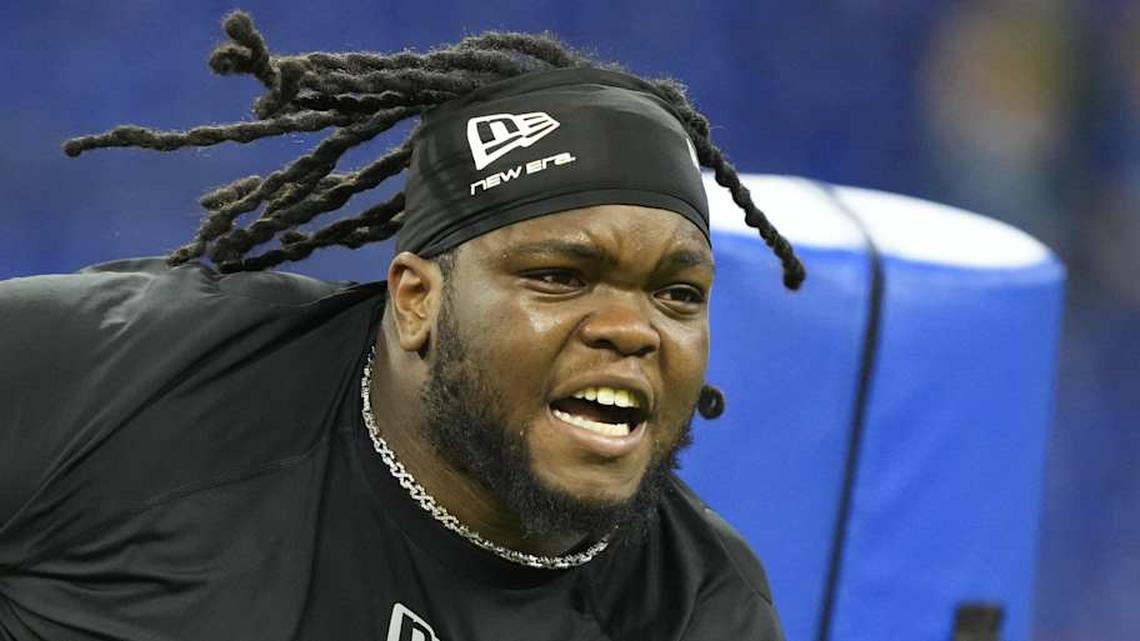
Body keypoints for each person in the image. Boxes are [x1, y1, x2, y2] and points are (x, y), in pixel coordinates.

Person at [0, 11, 803, 640]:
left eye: (678, 294)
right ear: (417, 299)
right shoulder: (130, 375)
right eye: (561, 277)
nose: (633, 330)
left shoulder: (698, 609)